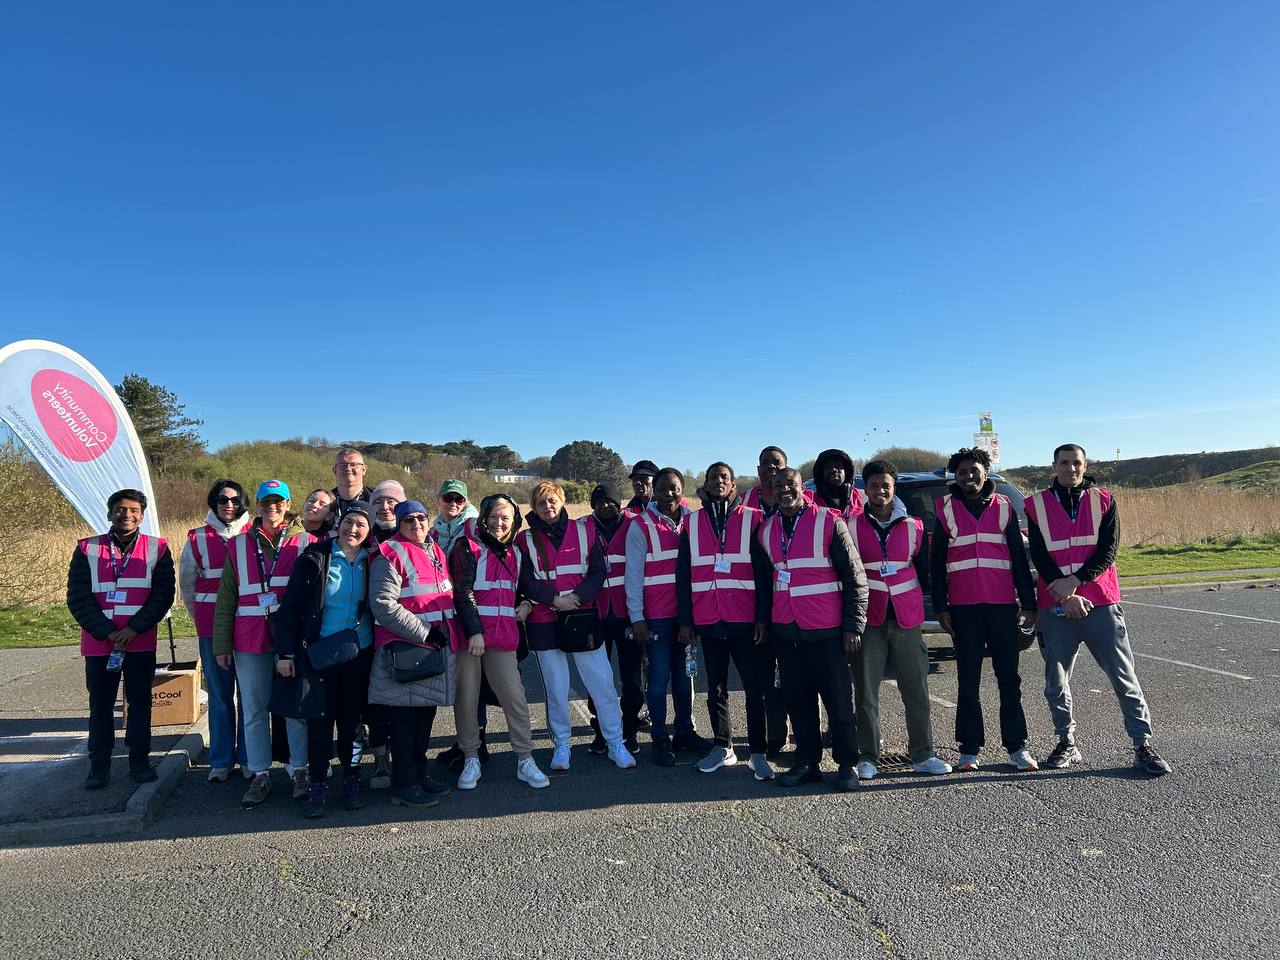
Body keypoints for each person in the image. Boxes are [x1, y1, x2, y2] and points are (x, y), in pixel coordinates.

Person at [1026, 444, 1171, 776]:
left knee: (1124, 677)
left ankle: (1142, 746)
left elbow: (1108, 549)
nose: (1071, 468)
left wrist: (1074, 582)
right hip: (1056, 604)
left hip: (1100, 602)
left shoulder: (1104, 500)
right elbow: (1038, 554)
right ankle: (1066, 743)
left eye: (1076, 463)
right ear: (1054, 467)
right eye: (1064, 463)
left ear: (1084, 465)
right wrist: (1064, 595)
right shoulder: (1036, 506)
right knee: (1055, 682)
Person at [753, 468, 867, 792]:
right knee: (798, 701)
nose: (785, 489)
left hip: (828, 630)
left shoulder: (829, 522)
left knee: (839, 702)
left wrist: (853, 625)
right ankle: (807, 762)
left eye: (790, 483)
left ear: (803, 487)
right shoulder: (765, 531)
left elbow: (855, 577)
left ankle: (848, 764)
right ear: (771, 490)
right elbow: (765, 584)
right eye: (778, 486)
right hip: (787, 632)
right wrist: (764, 622)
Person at [931, 448, 1039, 773]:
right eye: (962, 472)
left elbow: (1019, 561)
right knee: (968, 681)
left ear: (986, 471)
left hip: (1002, 606)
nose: (968, 477)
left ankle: (1017, 747)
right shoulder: (946, 510)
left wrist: (1029, 603)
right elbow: (936, 566)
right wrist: (941, 607)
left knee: (1009, 679)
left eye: (974, 470)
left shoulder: (1004, 507)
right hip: (964, 610)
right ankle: (968, 749)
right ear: (955, 476)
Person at [518, 481, 635, 772]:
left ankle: (615, 742)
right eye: (541, 502)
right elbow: (525, 580)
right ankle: (562, 744)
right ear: (534, 506)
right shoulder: (525, 539)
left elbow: (598, 571)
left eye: (552, 500)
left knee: (602, 683)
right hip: (544, 621)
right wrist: (554, 600)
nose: (548, 506)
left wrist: (578, 597)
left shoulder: (585, 531)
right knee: (556, 689)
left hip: (582, 617)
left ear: (562, 501)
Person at [212, 480, 316, 807]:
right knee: (254, 709)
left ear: (288, 505)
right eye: (266, 502)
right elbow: (226, 598)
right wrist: (220, 644)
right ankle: (259, 773)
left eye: (279, 502)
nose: (273, 507)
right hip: (249, 639)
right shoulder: (239, 544)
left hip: (292, 639)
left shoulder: (305, 542)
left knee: (295, 709)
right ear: (257, 505)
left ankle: (299, 768)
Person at [273, 501, 377, 818]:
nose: (353, 529)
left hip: (359, 654)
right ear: (338, 524)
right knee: (319, 722)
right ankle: (318, 782)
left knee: (354, 724)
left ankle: (352, 776)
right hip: (318, 654)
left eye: (361, 524)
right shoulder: (314, 558)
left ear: (369, 530)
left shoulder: (374, 561)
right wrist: (286, 653)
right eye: (349, 522)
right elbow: (290, 609)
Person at [67, 489, 175, 789]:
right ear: (109, 513)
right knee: (100, 706)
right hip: (100, 643)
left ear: (142, 515)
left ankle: (139, 761)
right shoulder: (87, 549)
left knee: (140, 704)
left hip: (139, 641)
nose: (126, 515)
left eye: (133, 510)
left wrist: (133, 629)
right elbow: (78, 597)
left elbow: (163, 595)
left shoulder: (158, 549)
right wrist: (107, 631)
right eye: (119, 509)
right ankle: (98, 766)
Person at [850, 460, 951, 780]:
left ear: (894, 490)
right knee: (865, 694)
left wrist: (938, 609)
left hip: (906, 619)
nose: (881, 490)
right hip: (870, 620)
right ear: (865, 490)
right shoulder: (851, 526)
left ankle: (923, 754)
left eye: (886, 486)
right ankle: (868, 756)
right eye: (875, 485)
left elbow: (925, 573)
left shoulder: (914, 526)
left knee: (916, 691)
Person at [676, 462, 773, 780]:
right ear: (704, 484)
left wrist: (762, 617)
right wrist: (686, 622)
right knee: (715, 689)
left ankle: (758, 752)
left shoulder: (754, 519)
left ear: (734, 486)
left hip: (745, 620)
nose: (718, 481)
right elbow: (683, 577)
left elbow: (763, 575)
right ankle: (723, 746)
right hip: (708, 619)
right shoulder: (690, 523)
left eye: (724, 478)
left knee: (754, 688)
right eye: (712, 477)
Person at [448, 494, 550, 791]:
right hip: (472, 637)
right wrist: (474, 630)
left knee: (515, 699)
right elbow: (462, 591)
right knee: (466, 698)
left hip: (503, 635)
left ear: (514, 521)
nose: (499, 523)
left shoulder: (516, 553)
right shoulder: (468, 547)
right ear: (483, 517)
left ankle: (525, 758)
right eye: (493, 516)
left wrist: (528, 605)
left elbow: (523, 589)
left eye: (505, 518)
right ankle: (470, 756)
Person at [367, 500, 459, 808]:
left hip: (431, 651)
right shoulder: (389, 553)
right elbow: (382, 604)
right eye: (409, 519)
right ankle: (403, 784)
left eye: (421, 517)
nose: (416, 523)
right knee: (404, 725)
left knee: (423, 720)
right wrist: (425, 631)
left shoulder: (434, 550)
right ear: (398, 521)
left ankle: (419, 775)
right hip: (405, 651)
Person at [627, 468, 712, 767]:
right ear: (654, 490)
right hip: (658, 617)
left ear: (683, 489)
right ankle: (660, 736)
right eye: (662, 488)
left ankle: (685, 731)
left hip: (687, 615)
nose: (668, 494)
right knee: (659, 677)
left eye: (674, 488)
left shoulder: (693, 520)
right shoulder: (641, 524)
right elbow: (634, 574)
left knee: (684, 676)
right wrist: (637, 617)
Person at [179, 478, 252, 783]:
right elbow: (187, 585)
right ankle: (222, 759)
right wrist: (202, 623)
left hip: (250, 629)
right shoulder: (196, 538)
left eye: (235, 500)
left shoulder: (255, 533)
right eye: (223, 500)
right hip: (212, 629)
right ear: (214, 502)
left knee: (250, 697)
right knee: (221, 697)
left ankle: (251, 757)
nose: (229, 506)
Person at [431, 479, 497, 771]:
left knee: (474, 684)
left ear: (467, 501)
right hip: (448, 613)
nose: (453, 504)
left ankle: (477, 744)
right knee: (462, 685)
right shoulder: (432, 530)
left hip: (470, 609)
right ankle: (464, 742)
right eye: (448, 499)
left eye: (459, 499)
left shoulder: (473, 527)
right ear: (439, 500)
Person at [738, 445, 796, 756]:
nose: (770, 469)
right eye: (764, 464)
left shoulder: (803, 500)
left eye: (776, 463)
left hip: (796, 599)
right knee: (766, 670)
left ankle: (803, 728)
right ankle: (777, 731)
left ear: (787, 467)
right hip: (758, 597)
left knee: (798, 670)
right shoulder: (747, 501)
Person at [585, 481, 645, 754]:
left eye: (610, 500)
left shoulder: (636, 523)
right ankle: (602, 732)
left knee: (631, 678)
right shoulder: (583, 527)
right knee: (598, 679)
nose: (605, 505)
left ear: (619, 502)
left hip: (628, 613)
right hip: (595, 613)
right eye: (599, 502)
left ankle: (630, 729)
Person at [362, 478, 406, 787]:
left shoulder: (417, 535)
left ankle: (407, 761)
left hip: (403, 631)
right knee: (374, 701)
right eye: (379, 502)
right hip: (367, 632)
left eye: (391, 501)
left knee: (404, 700)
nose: (385, 506)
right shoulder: (361, 537)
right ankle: (380, 761)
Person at [810, 448, 864, 524]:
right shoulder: (811, 502)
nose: (833, 470)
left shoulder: (863, 498)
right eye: (828, 467)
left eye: (838, 466)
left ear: (846, 471)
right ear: (820, 473)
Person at [331, 448, 373, 513]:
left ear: (364, 470)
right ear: (334, 470)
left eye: (354, 465)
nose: (348, 469)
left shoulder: (377, 499)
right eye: (343, 465)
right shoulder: (322, 501)